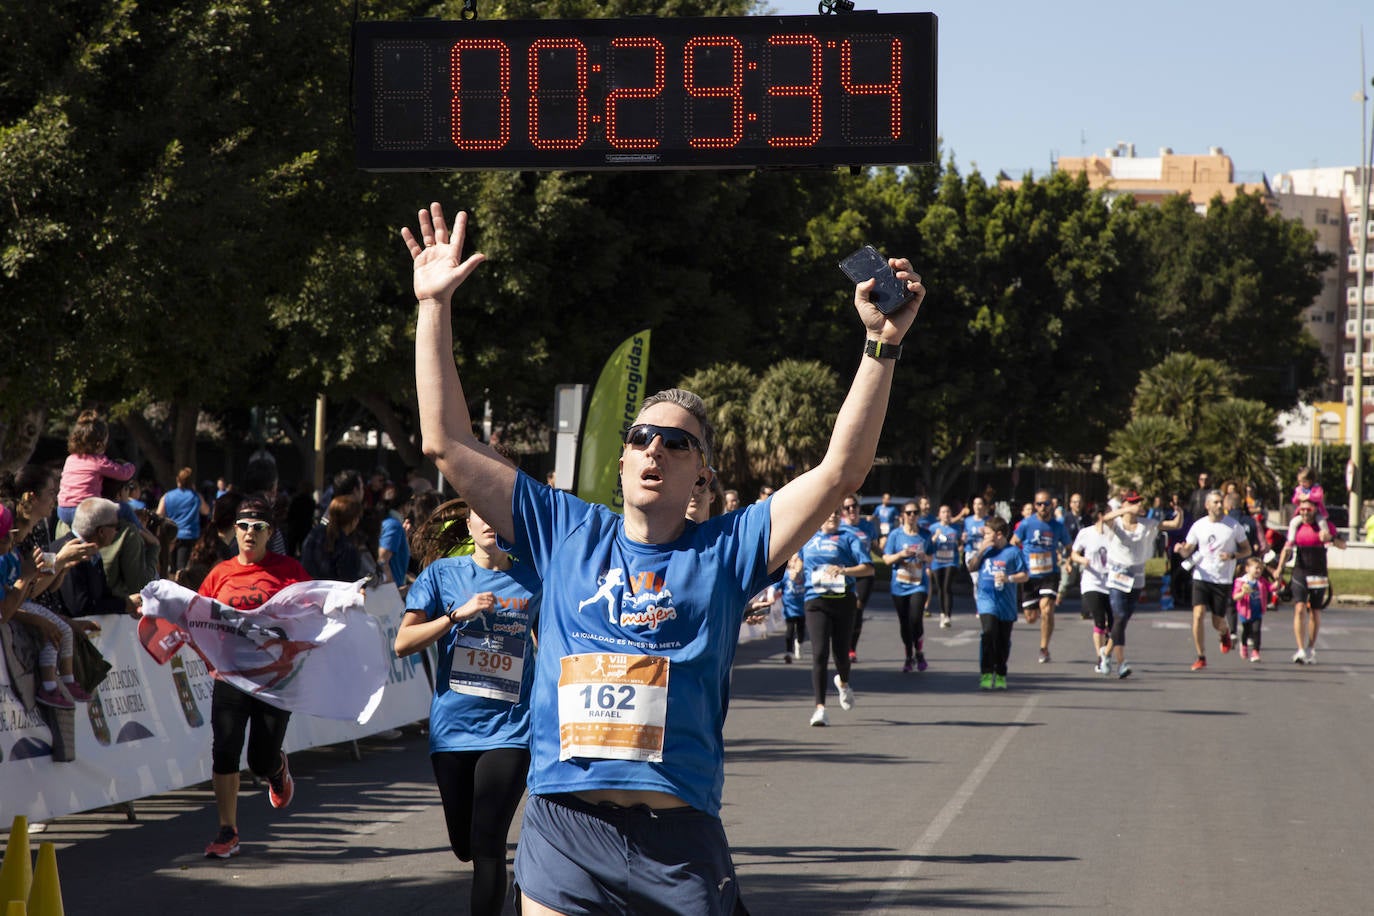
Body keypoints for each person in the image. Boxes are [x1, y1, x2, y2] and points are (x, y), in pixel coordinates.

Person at [406, 201, 923, 914]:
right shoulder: (562, 529)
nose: (657, 450)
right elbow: (447, 443)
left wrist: (881, 345)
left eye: (677, 444)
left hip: (677, 839)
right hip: (565, 828)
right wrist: (434, 306)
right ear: (621, 459)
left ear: (701, 474)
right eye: (644, 437)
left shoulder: (729, 548)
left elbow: (841, 471)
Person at [394, 503, 541, 916]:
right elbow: (403, 642)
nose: (491, 523)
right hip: (454, 730)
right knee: (464, 845)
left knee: (488, 844)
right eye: (483, 514)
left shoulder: (533, 577)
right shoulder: (442, 575)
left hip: (512, 730)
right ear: (469, 523)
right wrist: (456, 615)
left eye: (499, 516)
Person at [193, 496, 311, 859]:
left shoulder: (289, 571)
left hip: (274, 679)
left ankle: (276, 770)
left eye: (257, 527)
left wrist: (346, 600)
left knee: (260, 759)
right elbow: (196, 617)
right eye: (243, 526)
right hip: (230, 675)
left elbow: (315, 608)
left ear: (269, 533)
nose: (248, 533)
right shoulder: (220, 573)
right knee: (224, 749)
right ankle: (227, 831)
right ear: (235, 530)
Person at [800, 507, 874, 725]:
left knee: (841, 655)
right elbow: (798, 563)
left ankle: (843, 683)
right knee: (819, 653)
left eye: (835, 512)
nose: (831, 515)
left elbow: (868, 569)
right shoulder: (808, 538)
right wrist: (795, 570)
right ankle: (820, 709)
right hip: (815, 601)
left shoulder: (848, 538)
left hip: (843, 600)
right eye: (827, 512)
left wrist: (843, 571)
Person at [1096, 491, 1178, 679]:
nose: (1137, 506)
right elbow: (1104, 519)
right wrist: (1122, 510)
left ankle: (1105, 652)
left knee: (1122, 621)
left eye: (1139, 503)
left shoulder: (1147, 524)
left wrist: (1178, 511)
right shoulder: (1115, 523)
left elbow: (1174, 525)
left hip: (1137, 577)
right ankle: (1121, 663)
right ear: (1124, 504)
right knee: (1119, 616)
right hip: (1117, 576)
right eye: (1133, 502)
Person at [1175, 489, 1251, 671]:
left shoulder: (1233, 526)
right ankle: (1201, 656)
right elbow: (1188, 550)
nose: (1219, 505)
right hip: (1201, 576)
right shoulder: (1198, 526)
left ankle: (1225, 632)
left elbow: (1247, 550)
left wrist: (1233, 555)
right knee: (1198, 614)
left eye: (1220, 502)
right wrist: (1180, 550)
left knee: (1217, 621)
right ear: (1207, 505)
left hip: (1222, 580)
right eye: (1215, 502)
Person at [1275, 497, 1345, 665]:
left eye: (1308, 509)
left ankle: (1310, 648)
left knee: (1314, 611)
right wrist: (1279, 568)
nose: (1305, 512)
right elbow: (1286, 548)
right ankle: (1300, 649)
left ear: (1315, 510)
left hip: (1319, 571)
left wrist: (1330, 539)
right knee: (1299, 608)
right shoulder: (1297, 525)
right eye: (1302, 509)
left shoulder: (1325, 526)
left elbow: (1343, 545)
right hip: (1300, 569)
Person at [968, 516, 1028, 689]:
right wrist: (980, 551)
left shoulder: (1013, 552)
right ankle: (986, 672)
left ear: (999, 534)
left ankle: (1000, 672)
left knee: (1003, 640)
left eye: (987, 534)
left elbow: (1024, 575)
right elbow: (971, 567)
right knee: (988, 633)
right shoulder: (985, 550)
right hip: (986, 601)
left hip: (1006, 604)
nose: (984, 537)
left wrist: (1008, 578)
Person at [1010, 489, 1069, 664]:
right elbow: (1014, 542)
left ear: (1052, 505)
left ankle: (1044, 648)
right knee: (1030, 618)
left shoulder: (1058, 525)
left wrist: (1068, 561)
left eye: (1046, 504)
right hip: (1030, 575)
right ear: (1035, 506)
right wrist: (1017, 562)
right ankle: (1036, 616)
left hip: (1050, 574)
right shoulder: (1026, 524)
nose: (1043, 507)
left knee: (1047, 608)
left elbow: (1069, 545)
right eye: (1039, 504)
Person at [56, 410, 137, 529]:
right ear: (100, 443)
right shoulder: (98, 462)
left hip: (62, 511)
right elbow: (123, 474)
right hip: (84, 511)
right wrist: (130, 466)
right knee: (124, 509)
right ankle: (143, 535)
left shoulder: (70, 459)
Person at [882, 501, 930, 672]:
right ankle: (909, 655)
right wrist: (901, 555)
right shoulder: (895, 535)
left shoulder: (925, 535)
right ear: (903, 515)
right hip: (899, 585)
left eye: (915, 512)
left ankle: (920, 651)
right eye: (908, 513)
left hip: (918, 584)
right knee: (904, 622)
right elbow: (886, 559)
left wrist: (925, 557)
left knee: (916, 618)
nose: (912, 516)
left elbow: (933, 558)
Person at [838, 493, 880, 662]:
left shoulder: (867, 526)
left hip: (863, 573)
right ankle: (841, 642)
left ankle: (851, 648)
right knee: (842, 610)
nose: (851, 510)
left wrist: (892, 557)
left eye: (854, 506)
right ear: (842, 511)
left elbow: (876, 549)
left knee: (857, 609)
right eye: (847, 508)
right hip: (843, 573)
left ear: (859, 508)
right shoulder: (838, 526)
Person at [1070, 508, 1112, 670]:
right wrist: (1082, 559)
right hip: (1091, 582)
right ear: (1101, 516)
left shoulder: (1114, 534)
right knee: (1099, 619)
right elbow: (1074, 553)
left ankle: (1106, 649)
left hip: (1111, 582)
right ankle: (1100, 659)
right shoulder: (1086, 533)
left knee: (1113, 622)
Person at [300, 496, 366, 581]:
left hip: (307, 588)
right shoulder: (347, 547)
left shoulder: (315, 533)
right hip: (331, 592)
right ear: (354, 520)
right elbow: (348, 583)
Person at [158, 467, 211, 572]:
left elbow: (159, 514)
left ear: (178, 480)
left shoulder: (167, 496)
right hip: (189, 536)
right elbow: (206, 511)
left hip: (171, 536)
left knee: (171, 568)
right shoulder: (196, 497)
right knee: (183, 569)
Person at [1231, 556, 1274, 663]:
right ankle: (1244, 644)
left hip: (1257, 611)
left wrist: (1278, 580)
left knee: (1256, 631)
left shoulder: (1262, 581)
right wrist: (1243, 593)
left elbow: (1272, 587)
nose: (1258, 570)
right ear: (1247, 569)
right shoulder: (1241, 581)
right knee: (1246, 630)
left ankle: (1255, 651)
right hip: (1245, 611)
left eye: (1260, 568)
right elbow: (1235, 597)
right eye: (1256, 568)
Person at [927, 504, 960, 630]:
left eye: (948, 512)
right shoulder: (933, 528)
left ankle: (948, 616)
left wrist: (960, 542)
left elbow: (960, 544)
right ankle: (942, 613)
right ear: (939, 515)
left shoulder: (955, 528)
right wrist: (935, 537)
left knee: (947, 587)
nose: (946, 514)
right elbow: (928, 545)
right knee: (940, 588)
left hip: (951, 561)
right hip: (937, 561)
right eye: (943, 512)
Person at [779, 553, 807, 664]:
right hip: (789, 609)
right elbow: (775, 587)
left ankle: (799, 643)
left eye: (797, 560)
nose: (794, 563)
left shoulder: (804, 575)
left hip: (802, 609)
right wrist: (771, 595)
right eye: (792, 560)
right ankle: (788, 653)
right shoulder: (785, 575)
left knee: (801, 631)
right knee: (789, 631)